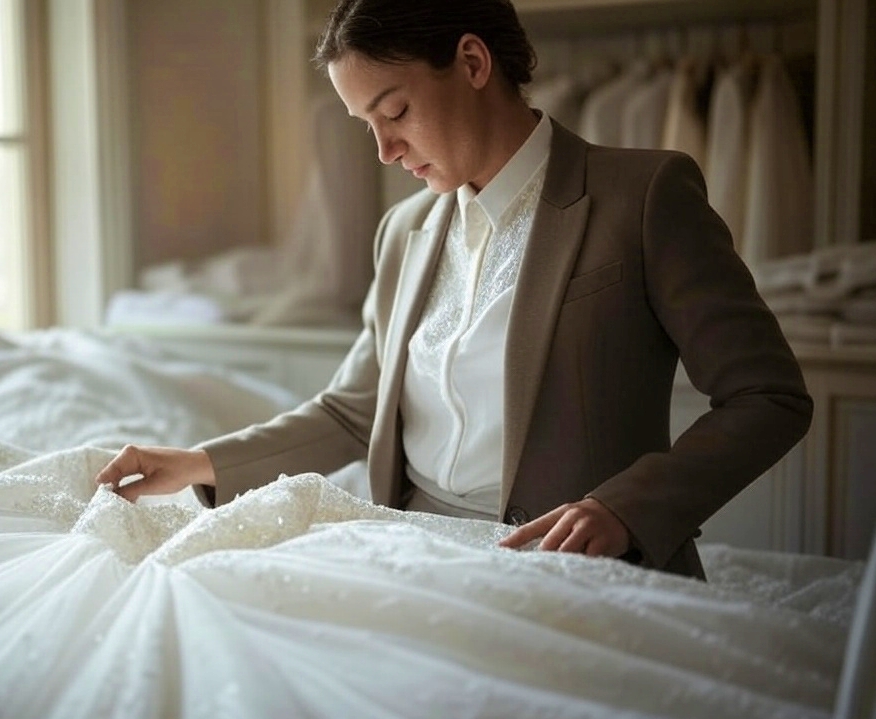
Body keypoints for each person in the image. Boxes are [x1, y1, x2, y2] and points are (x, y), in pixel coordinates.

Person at [95, 0, 812, 579]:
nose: (383, 150)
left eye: (395, 112)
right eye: (365, 125)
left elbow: (768, 396)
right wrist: (198, 461)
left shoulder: (643, 194)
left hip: (575, 572)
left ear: (472, 62)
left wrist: (627, 506)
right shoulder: (402, 231)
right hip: (413, 557)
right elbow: (355, 409)